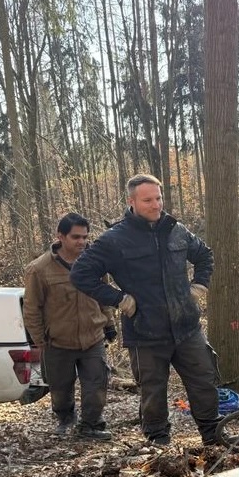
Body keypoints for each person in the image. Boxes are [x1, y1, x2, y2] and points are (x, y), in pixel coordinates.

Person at [70, 174, 219, 447]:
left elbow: (205, 255)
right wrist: (118, 298)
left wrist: (199, 286)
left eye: (158, 198)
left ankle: (213, 436)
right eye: (148, 200)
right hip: (145, 331)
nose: (155, 205)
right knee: (153, 392)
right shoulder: (115, 239)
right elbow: (81, 274)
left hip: (186, 327)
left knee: (205, 382)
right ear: (132, 202)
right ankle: (158, 446)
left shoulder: (176, 230)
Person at [23, 213, 115, 440]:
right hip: (57, 340)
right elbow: (32, 308)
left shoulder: (96, 263)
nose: (81, 242)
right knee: (60, 388)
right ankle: (65, 419)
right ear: (60, 236)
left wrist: (110, 324)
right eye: (76, 237)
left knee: (96, 383)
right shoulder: (39, 269)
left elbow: (104, 296)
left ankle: (91, 424)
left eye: (85, 237)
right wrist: (40, 340)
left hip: (92, 337)